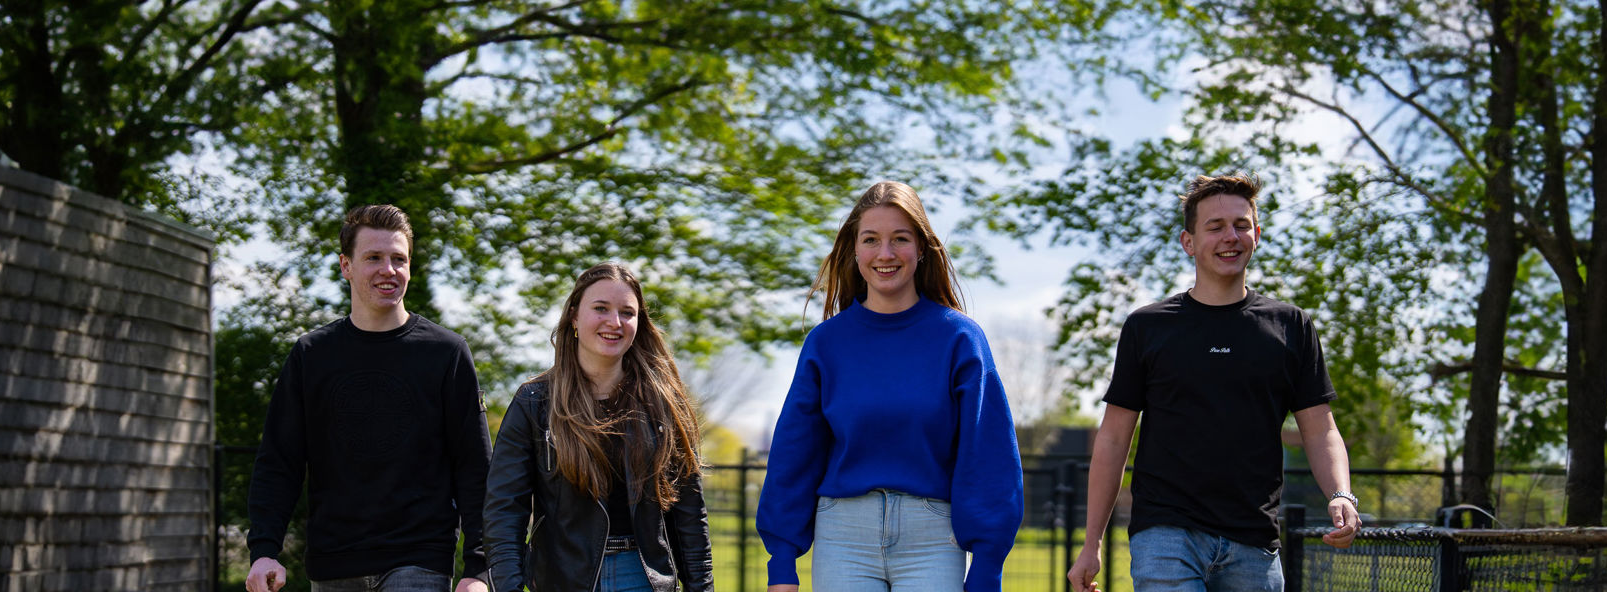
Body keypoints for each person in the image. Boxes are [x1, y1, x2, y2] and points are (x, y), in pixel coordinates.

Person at [1066, 174, 1359, 592]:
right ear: (1188, 242)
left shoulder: (1290, 325)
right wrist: (1091, 542)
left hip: (1254, 543)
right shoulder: (1147, 327)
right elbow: (1113, 439)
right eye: (1215, 227)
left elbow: (1320, 429)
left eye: (1241, 225)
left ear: (1257, 235)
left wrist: (1341, 494)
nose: (1231, 237)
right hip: (1165, 535)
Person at [758, 181, 1024, 592]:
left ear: (921, 248)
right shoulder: (826, 343)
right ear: (854, 250)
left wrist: (988, 564)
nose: (885, 254)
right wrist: (782, 561)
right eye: (871, 240)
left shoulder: (960, 339)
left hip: (933, 539)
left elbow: (989, 453)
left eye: (900, 239)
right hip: (842, 536)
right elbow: (795, 450)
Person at [246, 204, 492, 592]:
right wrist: (263, 549)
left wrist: (479, 568)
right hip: (333, 565)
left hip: (419, 561)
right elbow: (279, 461)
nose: (388, 270)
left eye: (399, 259)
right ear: (346, 266)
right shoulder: (312, 355)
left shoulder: (446, 352)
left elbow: (475, 466)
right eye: (373, 258)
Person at [483, 262, 713, 592]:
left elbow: (689, 514)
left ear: (639, 323)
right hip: (563, 579)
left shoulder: (663, 403)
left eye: (627, 312)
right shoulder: (535, 402)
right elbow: (505, 509)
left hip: (644, 579)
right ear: (574, 316)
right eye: (600, 308)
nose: (614, 322)